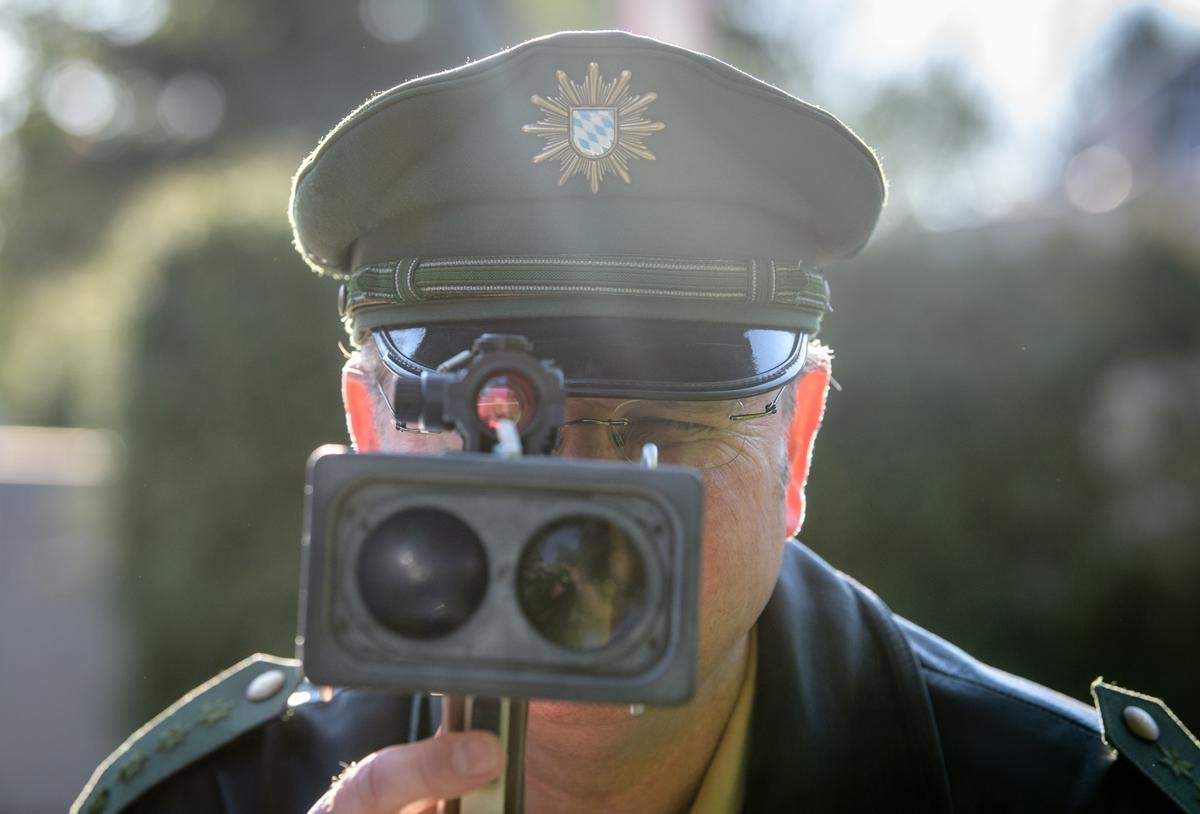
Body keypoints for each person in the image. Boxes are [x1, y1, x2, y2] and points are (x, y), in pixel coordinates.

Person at [74, 30, 1195, 814]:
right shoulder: (214, 801)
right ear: (372, 432)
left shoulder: (1064, 798)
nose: (584, 509)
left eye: (668, 428)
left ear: (795, 445)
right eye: (497, 418)